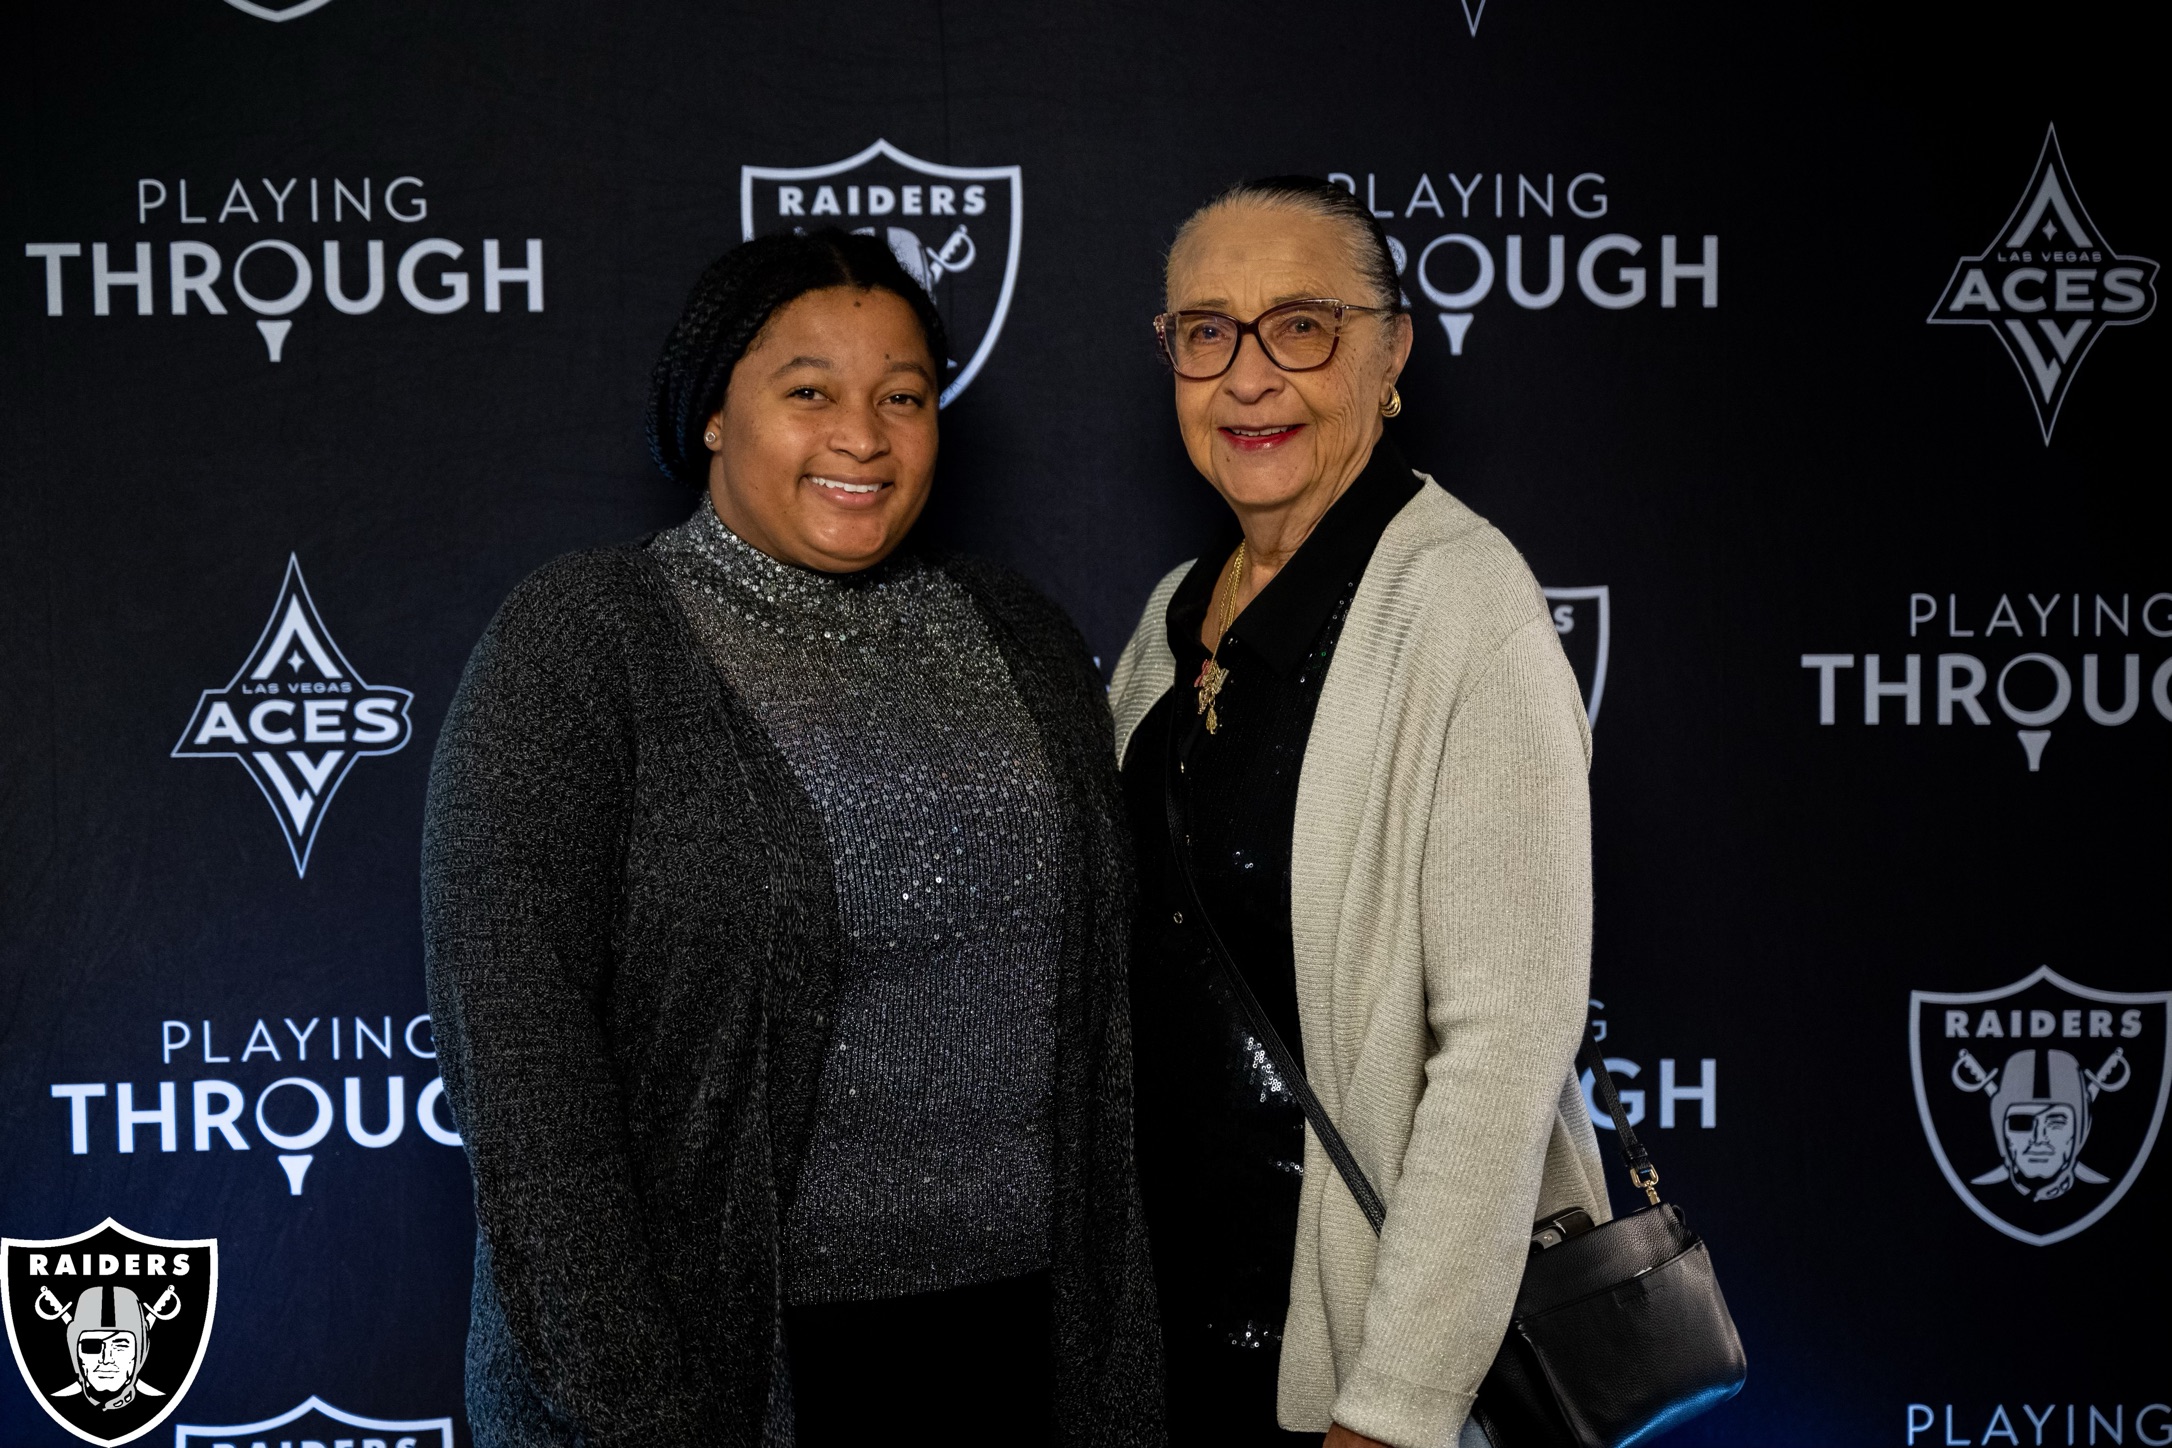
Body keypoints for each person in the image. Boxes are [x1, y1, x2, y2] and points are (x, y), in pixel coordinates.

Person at [423, 229, 1160, 1448]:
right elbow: (522, 1058)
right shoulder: (583, 644)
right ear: (714, 413)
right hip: (720, 1364)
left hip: (1020, 1345)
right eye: (808, 391)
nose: (862, 436)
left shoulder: (1022, 632)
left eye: (902, 397)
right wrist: (635, 1409)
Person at [1108, 178, 1610, 1448]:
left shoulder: (1464, 606)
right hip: (1163, 1345)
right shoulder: (1172, 615)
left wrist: (1398, 1407)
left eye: (1302, 325)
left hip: (1349, 1373)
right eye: (1206, 332)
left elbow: (1504, 1047)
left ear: (1392, 355)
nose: (1248, 375)